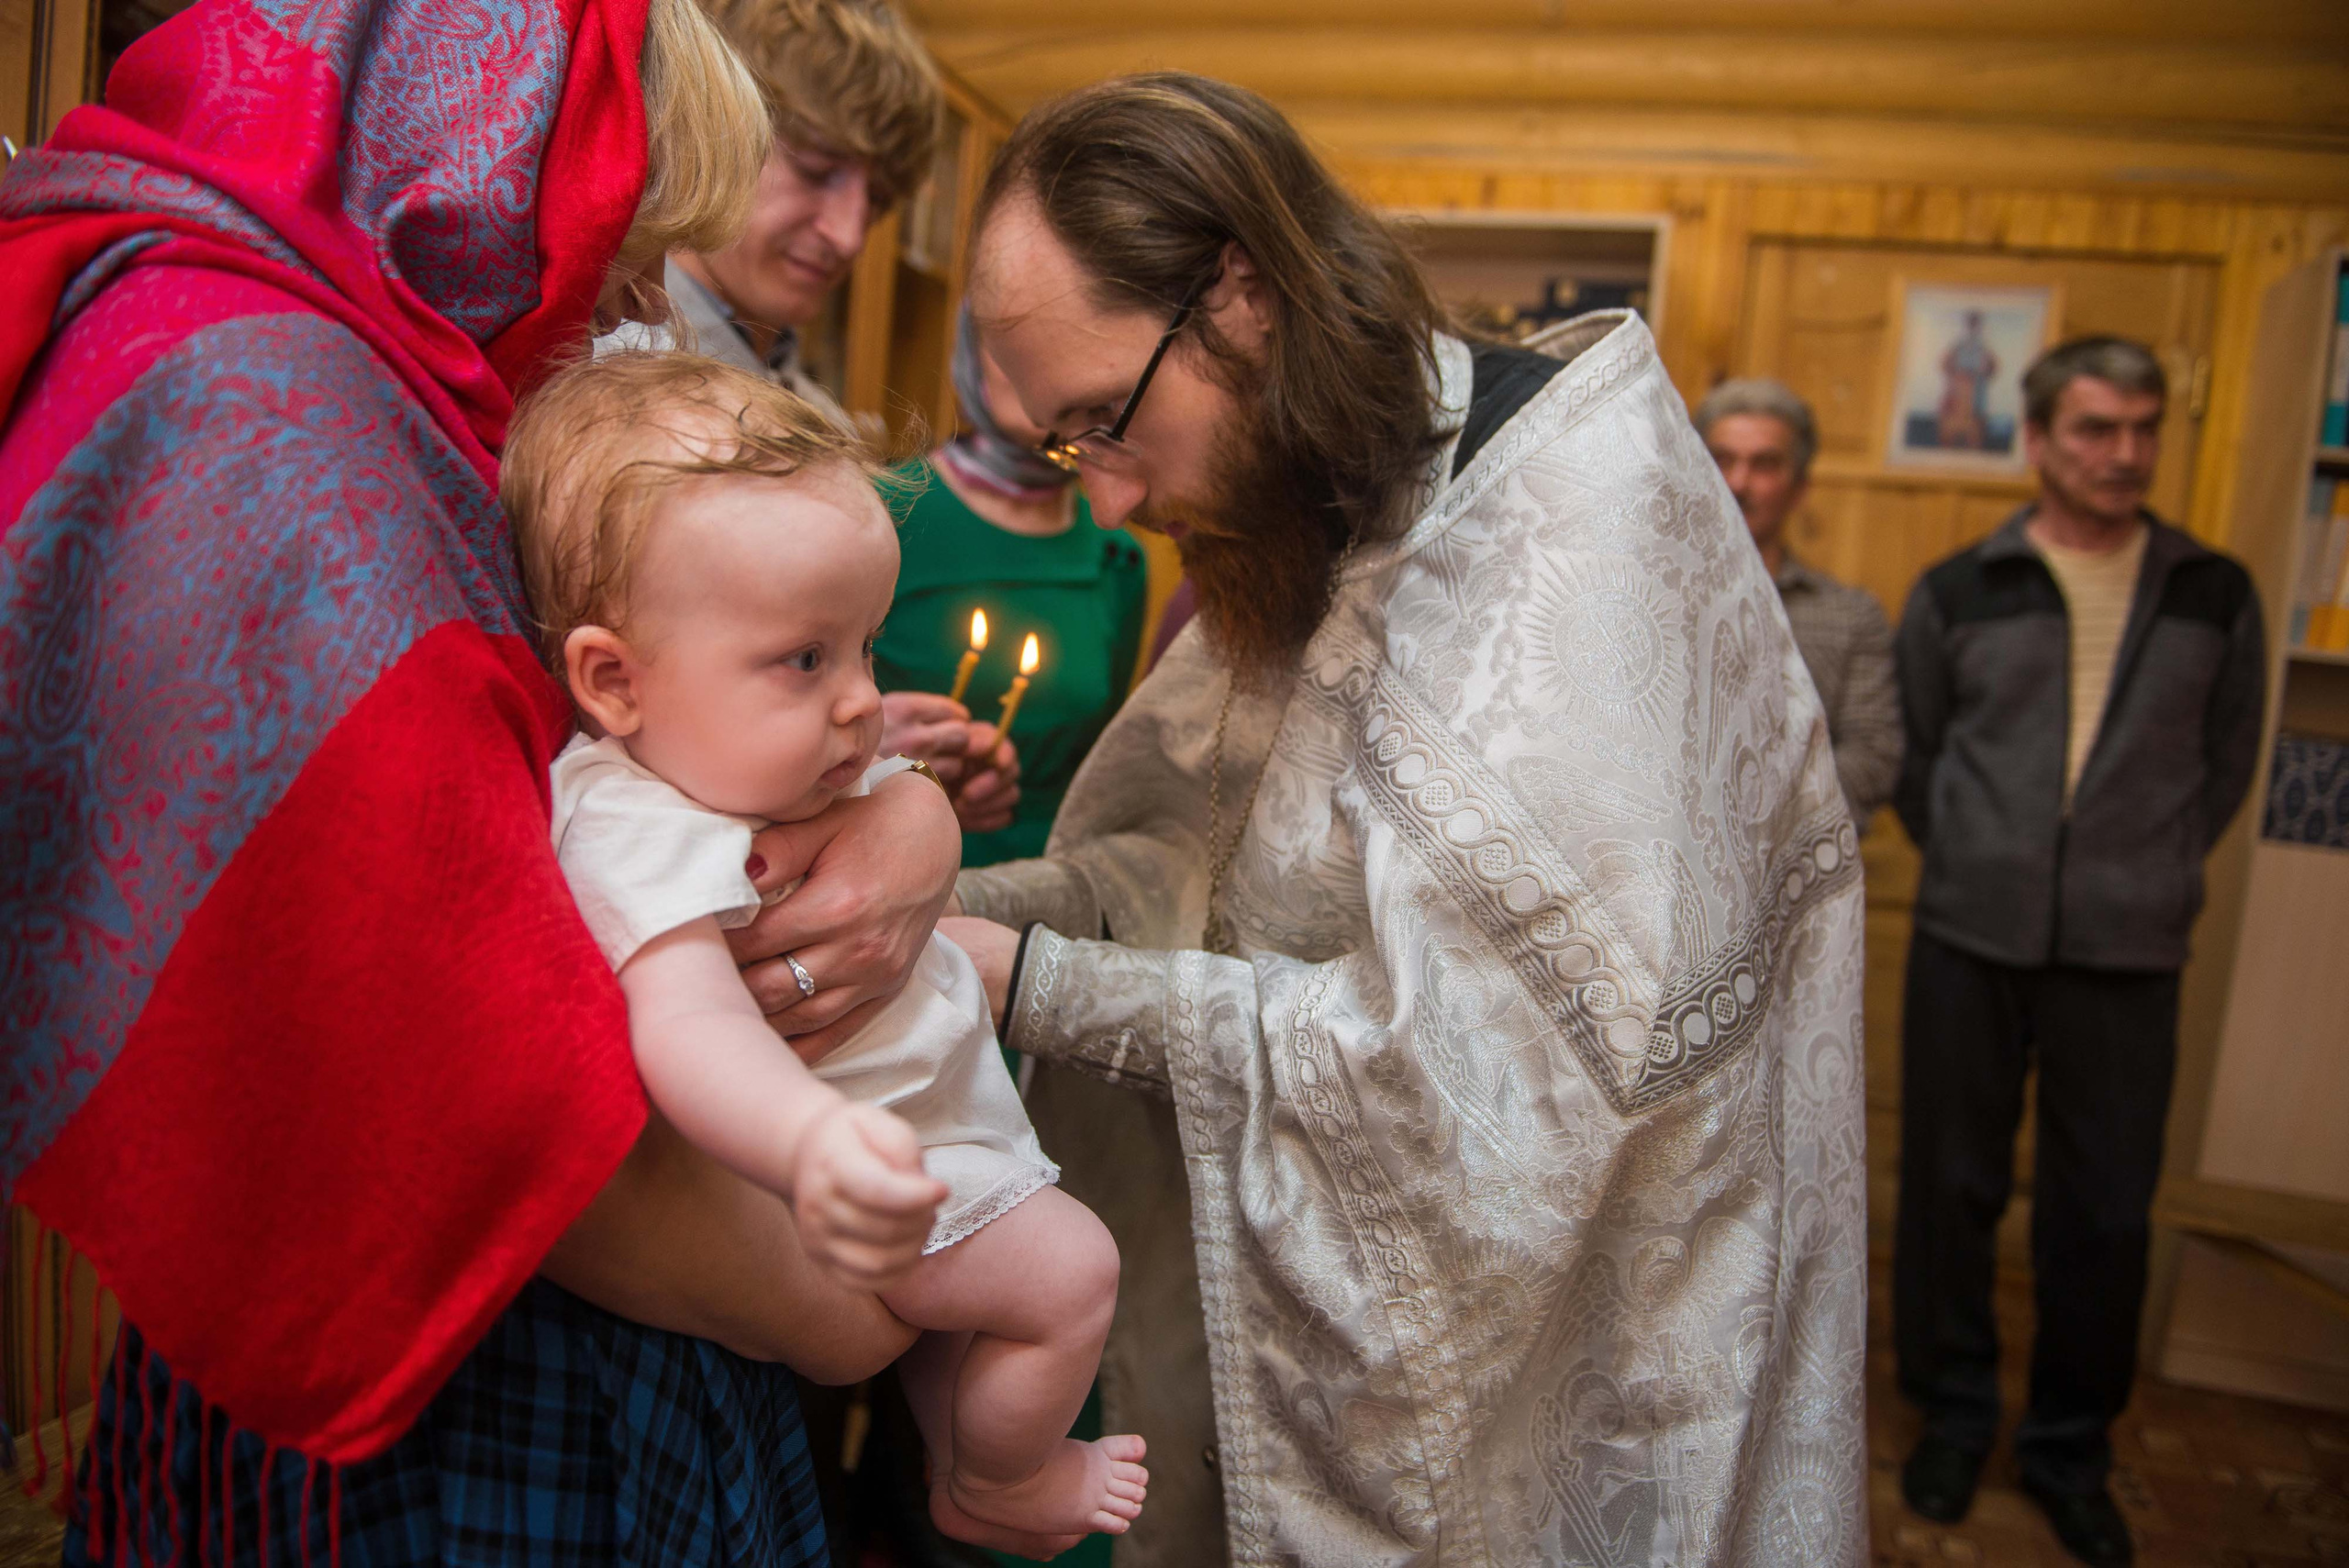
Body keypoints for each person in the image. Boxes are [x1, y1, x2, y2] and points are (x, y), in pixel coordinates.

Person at [0, 0, 969, 1559]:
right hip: (463, 1384)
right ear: (479, 162)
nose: (640, 302)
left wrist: (903, 816)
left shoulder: (398, 382)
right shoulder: (277, 420)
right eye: (626, 238)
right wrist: (850, 1311)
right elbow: (456, 1082)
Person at [912, 73, 1870, 1567]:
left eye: (1105, 420)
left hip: (1569, 1392)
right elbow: (1183, 859)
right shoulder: (1311, 496)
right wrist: (949, 906)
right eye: (1056, 444)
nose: (1106, 503)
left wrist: (1023, 981)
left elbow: (1486, 1096)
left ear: (1240, 293)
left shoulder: (1571, 538)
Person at [504, 350, 1148, 1552]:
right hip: (872, 1158)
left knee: (964, 1336)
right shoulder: (638, 823)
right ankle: (1000, 1484)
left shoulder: (745, 755)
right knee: (1074, 1279)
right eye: (806, 659)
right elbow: (685, 1021)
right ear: (613, 679)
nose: (860, 699)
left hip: (919, 1138)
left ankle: (960, 1440)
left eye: (863, 647)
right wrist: (811, 1146)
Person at [1891, 336, 2266, 1568]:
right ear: (2039, 440)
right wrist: (1986, 859)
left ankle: (2068, 1451)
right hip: (1970, 939)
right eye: (2098, 429)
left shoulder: (2213, 591)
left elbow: (2223, 766)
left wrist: (2137, 868)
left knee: (2101, 1216)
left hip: (2129, 950)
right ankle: (1950, 1417)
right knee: (1952, 1193)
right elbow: (1922, 756)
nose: (2125, 453)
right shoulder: (1961, 587)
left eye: (2145, 429)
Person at [875, 310, 1150, 865]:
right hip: (888, 859)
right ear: (970, 353)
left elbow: (1099, 773)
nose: (1037, 371)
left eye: (1063, 342)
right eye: (1011, 342)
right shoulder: (880, 513)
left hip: (1049, 887)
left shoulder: (1117, 556)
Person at [1694, 378, 1901, 824]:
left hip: (1798, 867)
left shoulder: (1848, 616)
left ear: (1800, 486)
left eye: (1765, 464)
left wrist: (1755, 813)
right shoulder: (1650, 599)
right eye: (1720, 459)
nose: (1738, 482)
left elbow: (1873, 755)